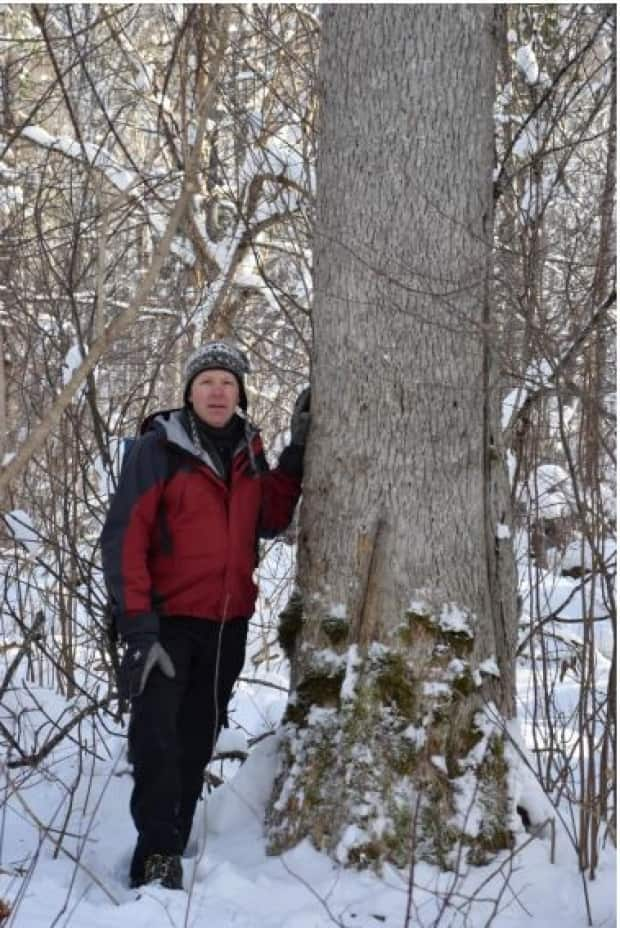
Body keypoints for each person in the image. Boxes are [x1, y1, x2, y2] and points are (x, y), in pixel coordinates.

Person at [100, 340, 310, 890]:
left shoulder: (247, 449)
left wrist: (295, 456)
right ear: (189, 393)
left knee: (196, 739)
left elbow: (269, 515)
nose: (218, 391)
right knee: (157, 740)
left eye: (227, 382)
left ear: (239, 393)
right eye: (206, 382)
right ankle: (155, 854)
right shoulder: (158, 449)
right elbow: (125, 539)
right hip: (165, 625)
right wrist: (139, 630)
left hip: (226, 625)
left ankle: (174, 836)